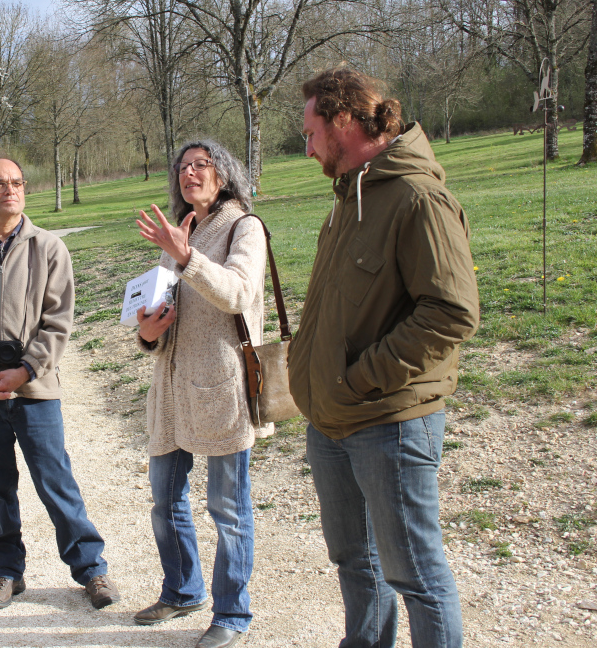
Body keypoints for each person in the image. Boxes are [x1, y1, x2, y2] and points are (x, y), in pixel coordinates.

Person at [289, 68, 479, 647]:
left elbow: (451, 313)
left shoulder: (417, 196)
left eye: (311, 129)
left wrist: (359, 380)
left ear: (343, 119)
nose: (308, 144)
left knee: (416, 577)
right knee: (356, 563)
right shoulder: (351, 194)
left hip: (390, 423)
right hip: (331, 421)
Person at [0, 156, 119, 611]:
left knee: (56, 479)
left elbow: (59, 321)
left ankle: (92, 570)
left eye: (16, 183)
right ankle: (7, 573)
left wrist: (26, 370)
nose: (9, 190)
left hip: (33, 390)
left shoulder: (49, 248)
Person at [132, 140, 266, 648]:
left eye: (200, 165)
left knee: (227, 509)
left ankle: (232, 614)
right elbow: (162, 314)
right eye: (182, 166)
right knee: (165, 501)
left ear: (223, 174)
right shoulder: (179, 230)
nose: (189, 173)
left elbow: (236, 291)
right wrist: (147, 331)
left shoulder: (242, 227)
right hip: (169, 390)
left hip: (219, 387)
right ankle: (183, 590)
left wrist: (185, 257)